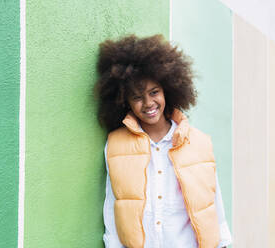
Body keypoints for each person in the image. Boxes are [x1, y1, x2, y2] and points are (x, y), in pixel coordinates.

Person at [94, 34, 232, 248]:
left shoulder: (199, 143)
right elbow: (114, 207)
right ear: (125, 101)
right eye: (137, 97)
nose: (148, 103)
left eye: (154, 92)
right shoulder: (116, 145)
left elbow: (213, 206)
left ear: (168, 89)